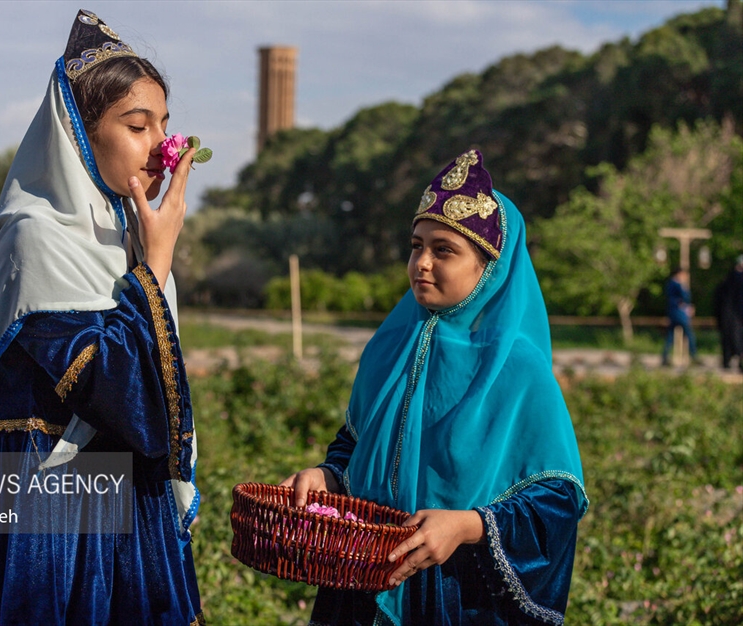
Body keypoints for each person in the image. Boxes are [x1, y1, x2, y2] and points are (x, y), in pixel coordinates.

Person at [0, 10, 204, 625]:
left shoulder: (125, 234)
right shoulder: (38, 237)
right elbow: (114, 388)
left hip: (125, 506)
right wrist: (156, 265)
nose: (163, 144)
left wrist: (150, 256)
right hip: (57, 516)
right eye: (138, 125)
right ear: (79, 131)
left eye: (166, 124)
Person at [282, 150, 588, 625]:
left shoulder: (518, 369)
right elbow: (357, 446)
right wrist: (328, 476)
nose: (422, 262)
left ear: (489, 267)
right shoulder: (390, 348)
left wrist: (468, 525)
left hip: (454, 590)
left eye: (444, 250)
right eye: (416, 245)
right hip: (361, 579)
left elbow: (557, 498)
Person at [661, 267, 700, 367]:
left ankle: (665, 356)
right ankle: (694, 356)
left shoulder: (670, 284)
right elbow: (685, 297)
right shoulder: (677, 285)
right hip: (679, 314)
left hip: (673, 313)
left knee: (670, 336)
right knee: (688, 334)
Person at [714, 255, 743, 371]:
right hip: (735, 315)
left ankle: (727, 361)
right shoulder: (737, 279)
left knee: (728, 340)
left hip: (727, 315)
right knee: (737, 340)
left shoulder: (727, 279)